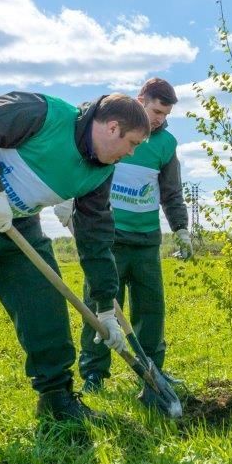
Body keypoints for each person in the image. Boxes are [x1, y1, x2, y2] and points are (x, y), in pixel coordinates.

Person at [0, 91, 149, 445]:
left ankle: (56, 397)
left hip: (17, 219)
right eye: (133, 143)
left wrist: (106, 306)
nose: (132, 153)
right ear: (112, 127)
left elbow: (95, 237)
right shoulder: (40, 114)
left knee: (43, 300)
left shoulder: (100, 173)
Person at [56, 79, 191, 405]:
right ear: (140, 100)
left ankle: (152, 371)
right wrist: (66, 199)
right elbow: (81, 167)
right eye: (156, 110)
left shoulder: (166, 144)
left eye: (165, 113)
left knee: (151, 309)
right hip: (108, 239)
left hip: (146, 240)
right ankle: (93, 375)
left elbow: (171, 192)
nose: (159, 118)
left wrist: (181, 228)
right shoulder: (111, 133)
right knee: (101, 308)